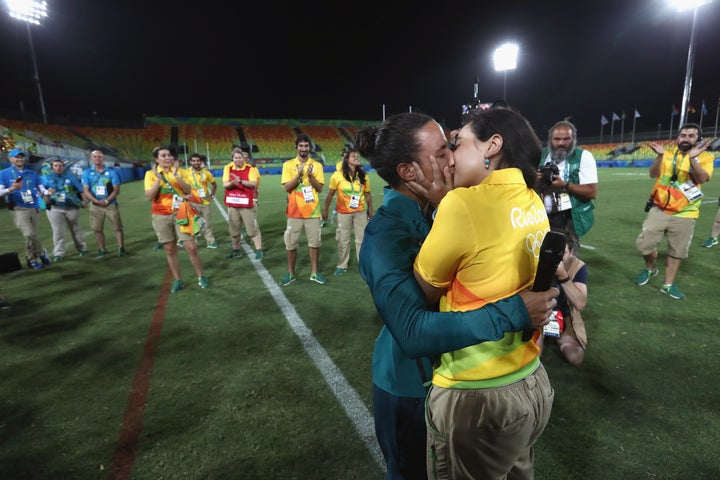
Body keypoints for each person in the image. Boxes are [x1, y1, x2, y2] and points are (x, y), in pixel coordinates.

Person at [357, 111, 558, 480]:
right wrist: (514, 312)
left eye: (452, 147)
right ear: (408, 172)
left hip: (471, 384)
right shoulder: (383, 237)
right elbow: (413, 332)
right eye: (440, 154)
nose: (452, 158)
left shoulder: (455, 206)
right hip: (409, 386)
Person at [413, 107, 554, 480]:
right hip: (531, 379)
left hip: (478, 393)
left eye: (457, 145)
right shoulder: (532, 198)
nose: (450, 158)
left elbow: (424, 288)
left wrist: (442, 202)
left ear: (492, 146)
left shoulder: (464, 204)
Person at [634, 123, 713, 300]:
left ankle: (668, 285)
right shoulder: (668, 155)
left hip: (686, 212)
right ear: (678, 138)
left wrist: (693, 159)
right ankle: (651, 268)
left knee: (676, 251)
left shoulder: (705, 157)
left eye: (691, 136)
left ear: (698, 139)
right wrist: (660, 156)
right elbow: (653, 174)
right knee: (644, 245)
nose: (686, 138)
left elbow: (702, 178)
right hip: (660, 209)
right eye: (683, 135)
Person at [144, 146, 209, 293]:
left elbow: (188, 191)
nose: (167, 158)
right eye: (163, 155)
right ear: (156, 159)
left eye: (169, 155)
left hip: (180, 213)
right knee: (169, 249)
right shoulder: (150, 174)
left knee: (191, 247)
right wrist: (159, 180)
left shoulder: (181, 171)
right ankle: (178, 280)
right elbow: (149, 196)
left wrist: (176, 176)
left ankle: (201, 276)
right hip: (160, 215)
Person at [537, 119, 598, 248]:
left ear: (573, 139)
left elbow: (591, 191)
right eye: (557, 139)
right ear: (550, 139)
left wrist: (565, 185)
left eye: (566, 139)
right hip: (543, 212)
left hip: (570, 215)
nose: (561, 143)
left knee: (568, 254)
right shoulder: (541, 155)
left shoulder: (583, 156)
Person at [279, 133, 326, 285]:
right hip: (294, 211)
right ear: (296, 147)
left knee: (314, 243)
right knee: (291, 244)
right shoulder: (288, 165)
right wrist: (298, 175)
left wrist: (311, 177)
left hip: (312, 212)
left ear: (309, 147)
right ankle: (291, 273)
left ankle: (314, 273)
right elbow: (287, 187)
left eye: (306, 146)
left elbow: (319, 188)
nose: (304, 148)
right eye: (301, 146)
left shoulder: (317, 165)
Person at [539, 231, 588, 366]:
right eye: (554, 253)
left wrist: (563, 276)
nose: (558, 258)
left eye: (563, 253)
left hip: (566, 317)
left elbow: (580, 303)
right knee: (534, 355)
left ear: (571, 252)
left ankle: (562, 337)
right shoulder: (538, 263)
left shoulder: (578, 266)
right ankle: (541, 336)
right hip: (541, 315)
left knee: (575, 357)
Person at [322, 147, 373, 276]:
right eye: (353, 157)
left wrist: (370, 210)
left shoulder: (363, 176)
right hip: (343, 212)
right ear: (346, 160)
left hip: (360, 211)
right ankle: (342, 265)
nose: (356, 158)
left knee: (361, 239)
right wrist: (326, 210)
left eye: (357, 156)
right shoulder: (337, 176)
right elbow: (330, 194)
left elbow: (367, 194)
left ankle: (363, 264)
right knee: (343, 239)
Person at [0, 148, 52, 269]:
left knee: (32, 235)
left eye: (21, 157)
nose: (19, 159)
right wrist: (11, 189)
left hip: (33, 207)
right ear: (10, 159)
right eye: (16, 157)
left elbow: (41, 188)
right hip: (18, 208)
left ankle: (32, 259)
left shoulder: (32, 173)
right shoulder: (4, 174)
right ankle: (41, 253)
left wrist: (47, 192)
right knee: (29, 234)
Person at [82, 150, 127, 258]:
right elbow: (86, 190)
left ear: (103, 158)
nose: (97, 158)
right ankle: (102, 249)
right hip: (95, 205)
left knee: (117, 227)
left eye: (99, 157)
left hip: (110, 204)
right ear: (91, 159)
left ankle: (121, 248)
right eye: (95, 157)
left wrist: (107, 200)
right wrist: (95, 200)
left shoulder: (111, 172)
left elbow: (116, 190)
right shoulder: (87, 173)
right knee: (97, 228)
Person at [41, 158, 88, 261]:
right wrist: (45, 198)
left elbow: (80, 190)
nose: (58, 168)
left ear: (63, 167)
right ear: (52, 167)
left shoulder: (70, 177)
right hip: (55, 208)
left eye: (60, 166)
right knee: (58, 231)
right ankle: (58, 253)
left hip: (72, 207)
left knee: (75, 228)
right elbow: (40, 191)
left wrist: (85, 201)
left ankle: (82, 248)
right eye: (56, 166)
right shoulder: (45, 178)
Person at [222, 148, 263, 260]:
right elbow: (225, 185)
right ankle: (236, 250)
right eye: (235, 158)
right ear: (232, 159)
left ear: (243, 158)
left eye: (240, 157)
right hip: (233, 203)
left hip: (247, 203)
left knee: (252, 229)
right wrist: (232, 183)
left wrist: (240, 181)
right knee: (234, 230)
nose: (238, 159)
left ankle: (259, 250)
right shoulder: (228, 168)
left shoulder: (251, 168)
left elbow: (253, 184)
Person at [182, 152, 218, 249]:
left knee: (207, 224)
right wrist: (184, 196)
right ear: (190, 162)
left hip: (205, 203)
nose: (196, 162)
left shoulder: (206, 173)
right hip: (192, 202)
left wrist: (212, 195)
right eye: (193, 161)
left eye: (197, 161)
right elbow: (180, 186)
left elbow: (214, 184)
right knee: (193, 223)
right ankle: (193, 242)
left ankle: (210, 241)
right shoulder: (185, 173)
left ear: (200, 161)